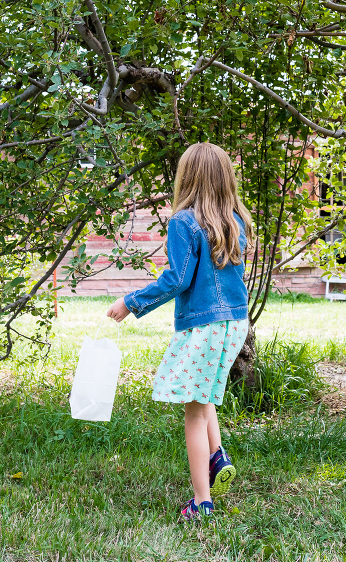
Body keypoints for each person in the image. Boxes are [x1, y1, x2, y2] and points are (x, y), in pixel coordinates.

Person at [106, 142, 255, 523]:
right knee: (204, 392)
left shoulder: (183, 222)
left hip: (203, 325)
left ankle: (201, 501)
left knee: (193, 409)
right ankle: (217, 457)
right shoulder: (235, 219)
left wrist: (131, 302)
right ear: (225, 179)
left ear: (185, 178)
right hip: (235, 323)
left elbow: (176, 279)